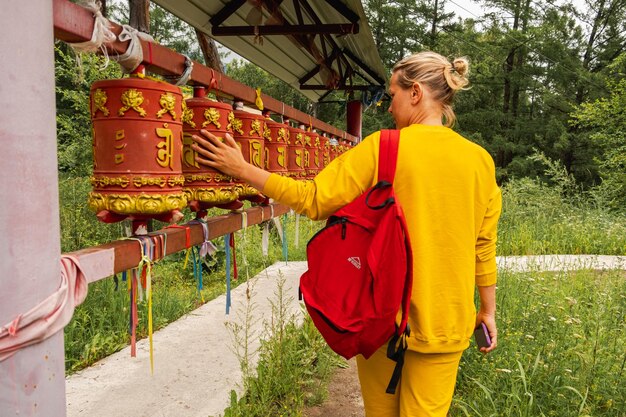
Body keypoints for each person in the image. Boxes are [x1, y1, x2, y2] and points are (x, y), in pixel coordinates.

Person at [192, 51, 501, 417]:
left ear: (415, 92)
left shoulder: (384, 147)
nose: (389, 107)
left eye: (393, 95)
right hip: (445, 321)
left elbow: (313, 200)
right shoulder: (480, 161)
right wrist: (487, 310)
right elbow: (484, 245)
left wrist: (243, 169)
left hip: (382, 318)